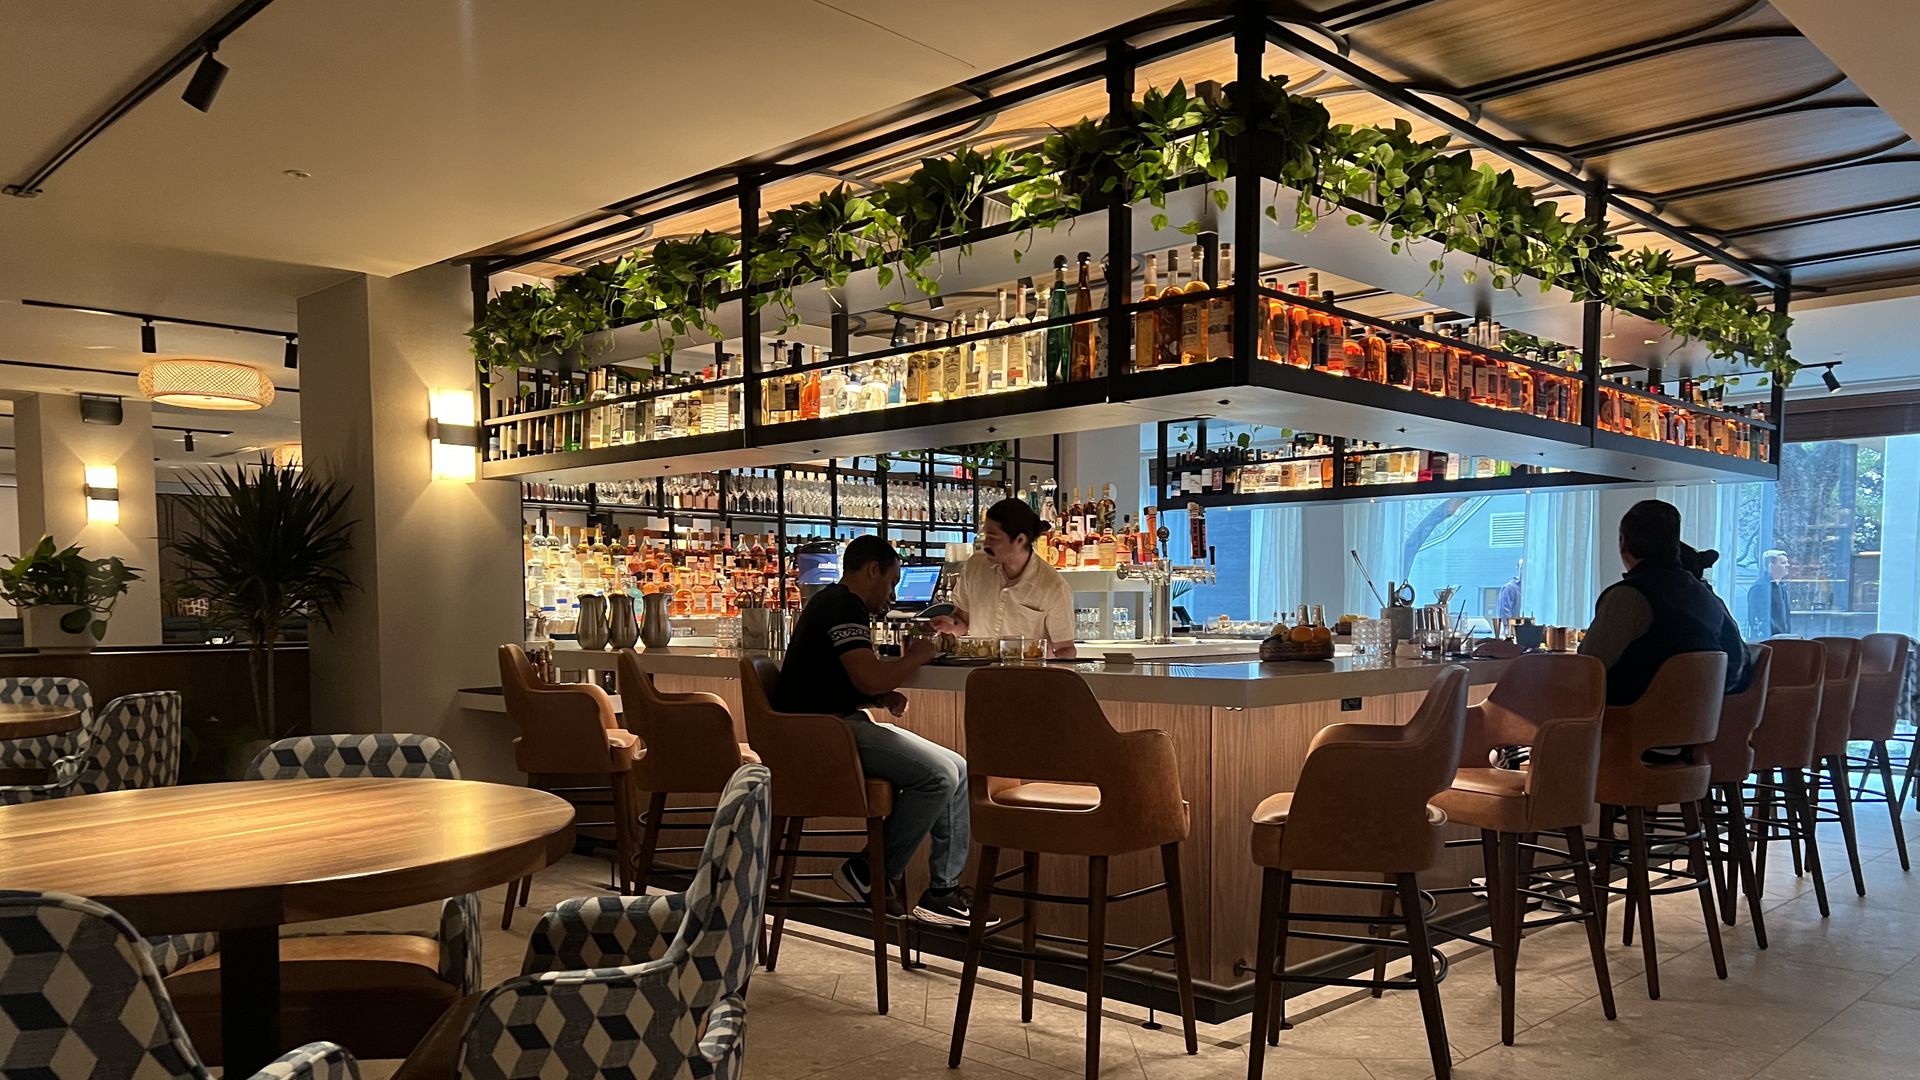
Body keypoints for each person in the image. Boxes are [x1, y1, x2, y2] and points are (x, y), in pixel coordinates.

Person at [775, 534, 988, 927]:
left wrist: (879, 696)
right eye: (891, 582)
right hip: (824, 734)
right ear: (872, 570)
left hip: (825, 725)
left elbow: (839, 680)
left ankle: (942, 890)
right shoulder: (844, 606)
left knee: (957, 768)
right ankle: (870, 870)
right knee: (939, 776)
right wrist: (916, 657)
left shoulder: (829, 602)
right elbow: (868, 677)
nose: (892, 594)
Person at [1579, 500, 1749, 707]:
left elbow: (1587, 667)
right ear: (1675, 546)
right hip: (1698, 723)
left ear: (1623, 542)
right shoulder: (1705, 596)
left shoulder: (1629, 596)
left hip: (1630, 724)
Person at [929, 497, 1078, 658]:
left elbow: (1065, 649)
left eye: (993, 538)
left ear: (1020, 540)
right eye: (985, 536)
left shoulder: (1053, 587)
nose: (986, 544)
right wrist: (950, 625)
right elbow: (962, 622)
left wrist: (1051, 668)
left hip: (1026, 678)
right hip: (981, 674)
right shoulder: (976, 566)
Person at [1746, 549, 1792, 638]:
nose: (1788, 565)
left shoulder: (1782, 587)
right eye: (1783, 563)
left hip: (1781, 640)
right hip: (1769, 642)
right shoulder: (1760, 588)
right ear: (1771, 566)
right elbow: (1758, 618)